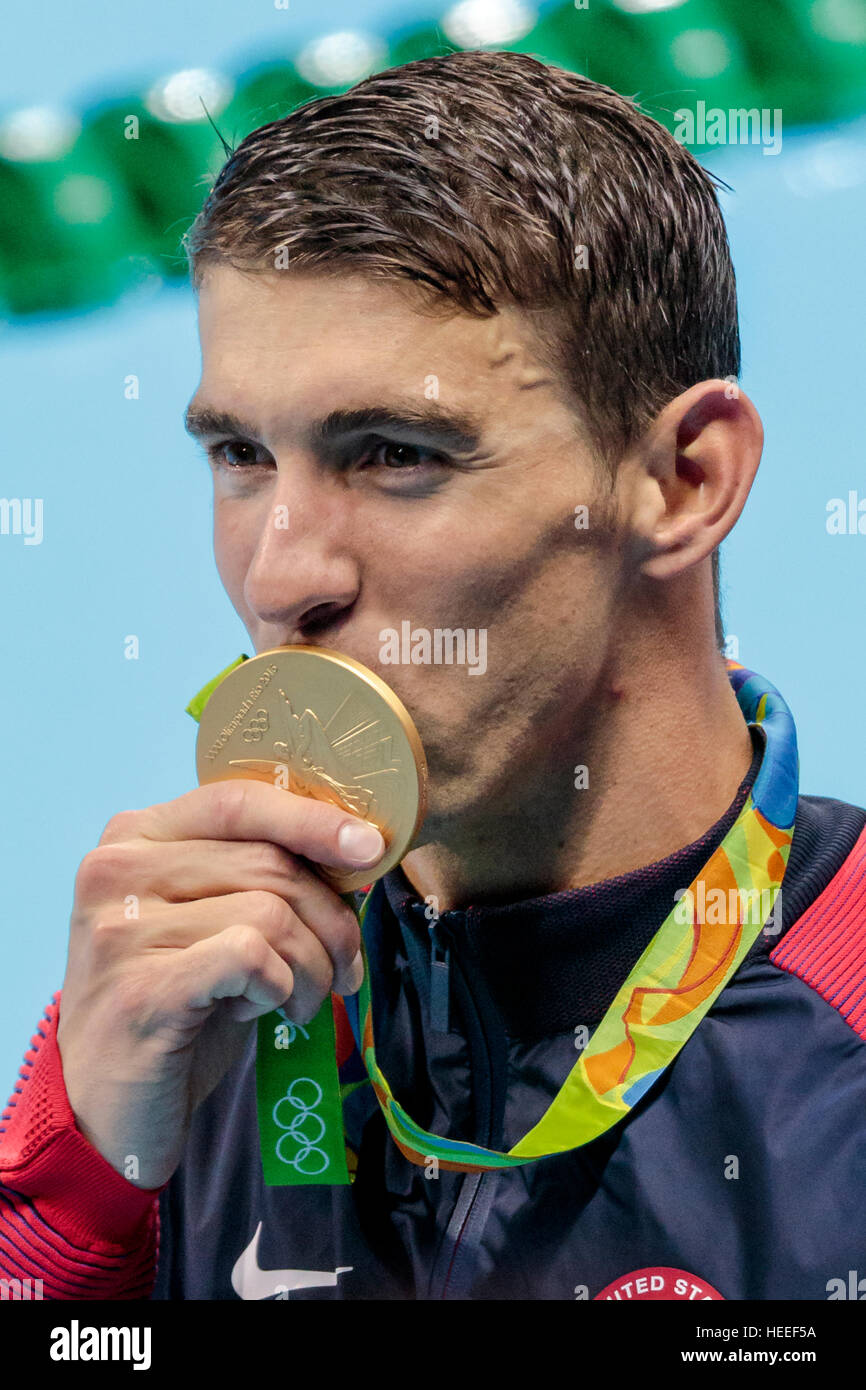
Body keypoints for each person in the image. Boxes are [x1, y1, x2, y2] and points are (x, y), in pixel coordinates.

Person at [2, 48, 865, 1303]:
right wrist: (72, 1202)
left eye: (396, 454)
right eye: (242, 452)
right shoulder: (185, 1032)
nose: (280, 574)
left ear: (684, 481)